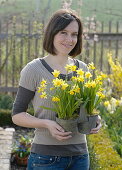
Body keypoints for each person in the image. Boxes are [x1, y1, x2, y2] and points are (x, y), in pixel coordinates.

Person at [12, 9, 101, 170]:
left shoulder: (83, 70)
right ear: (52, 33)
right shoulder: (34, 69)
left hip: (80, 157)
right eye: (63, 32)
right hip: (45, 159)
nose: (69, 39)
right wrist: (46, 123)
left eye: (74, 34)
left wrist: (96, 120)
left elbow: (86, 109)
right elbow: (17, 115)